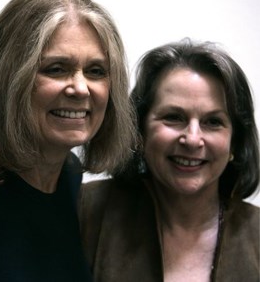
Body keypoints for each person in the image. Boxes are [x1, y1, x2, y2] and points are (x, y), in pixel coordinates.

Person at [0, 0, 136, 281]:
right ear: (8, 77)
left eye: (96, 71)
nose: (81, 88)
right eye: (57, 69)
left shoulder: (72, 178)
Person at [80, 38, 260, 281]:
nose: (193, 139)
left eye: (213, 122)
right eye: (174, 117)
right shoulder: (85, 210)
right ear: (140, 131)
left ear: (234, 143)